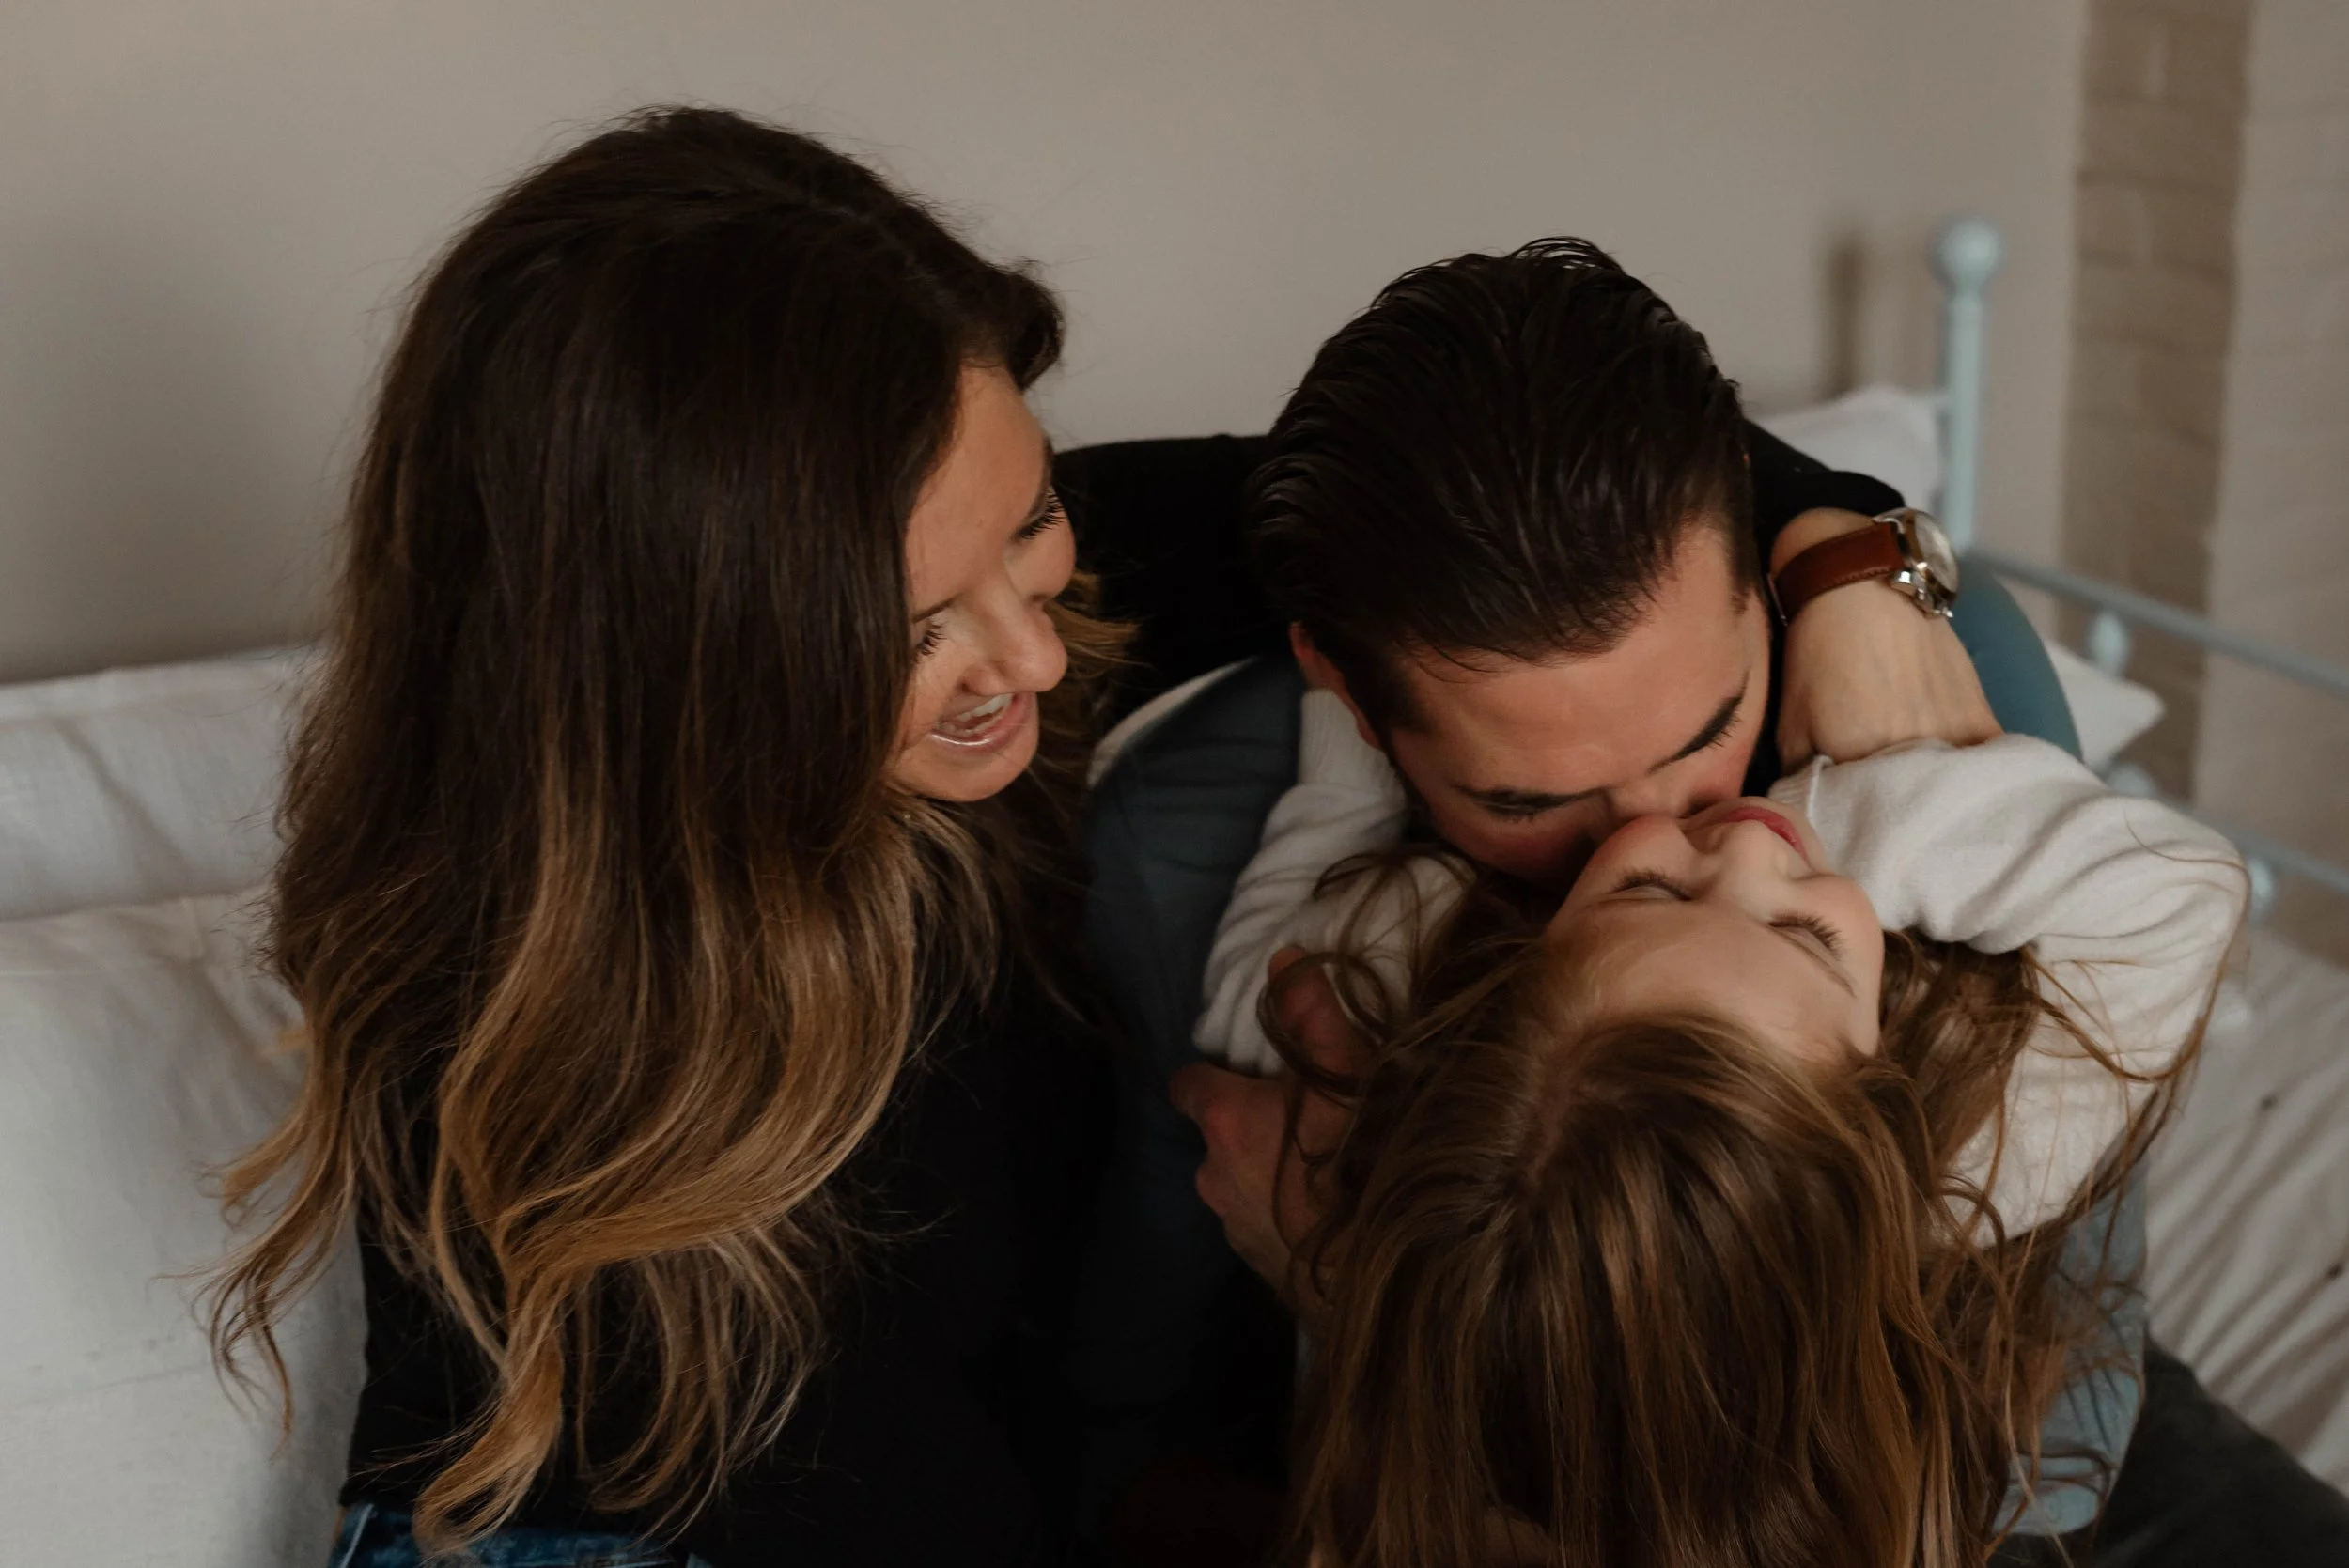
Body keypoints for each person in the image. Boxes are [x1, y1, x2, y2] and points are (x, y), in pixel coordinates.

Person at [1085, 240, 2349, 1561]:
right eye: (1528, 801)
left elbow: (2071, 1417)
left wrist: (1842, 581)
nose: (1684, 828)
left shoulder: (1949, 704)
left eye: (1712, 726)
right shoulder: (1218, 854)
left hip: (2006, 1450)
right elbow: (1145, 1376)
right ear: (1351, 703)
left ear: (1764, 595)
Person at [206, 107, 1123, 1567]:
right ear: (678, 666)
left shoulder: (925, 542)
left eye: (1040, 515)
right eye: (911, 630)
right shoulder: (547, 1004)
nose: (1035, 656)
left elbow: (1378, 497)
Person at [1221, 505, 2244, 1567]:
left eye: (1648, 886)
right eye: (1806, 937)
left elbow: (1262, 957)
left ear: (1516, 973)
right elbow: (2182, 892)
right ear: (1880, 1101)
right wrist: (1840, 807)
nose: (1747, 849)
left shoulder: (1410, 953)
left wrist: (1342, 727)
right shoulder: (1968, 1146)